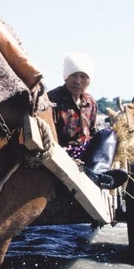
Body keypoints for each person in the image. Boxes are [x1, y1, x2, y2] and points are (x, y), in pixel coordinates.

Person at [48, 52, 127, 189]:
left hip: (86, 153)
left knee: (109, 133)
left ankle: (98, 174)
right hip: (62, 153)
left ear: (89, 80)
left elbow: (91, 131)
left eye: (83, 76)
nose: (78, 81)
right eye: (73, 75)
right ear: (66, 77)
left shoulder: (90, 102)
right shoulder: (51, 99)